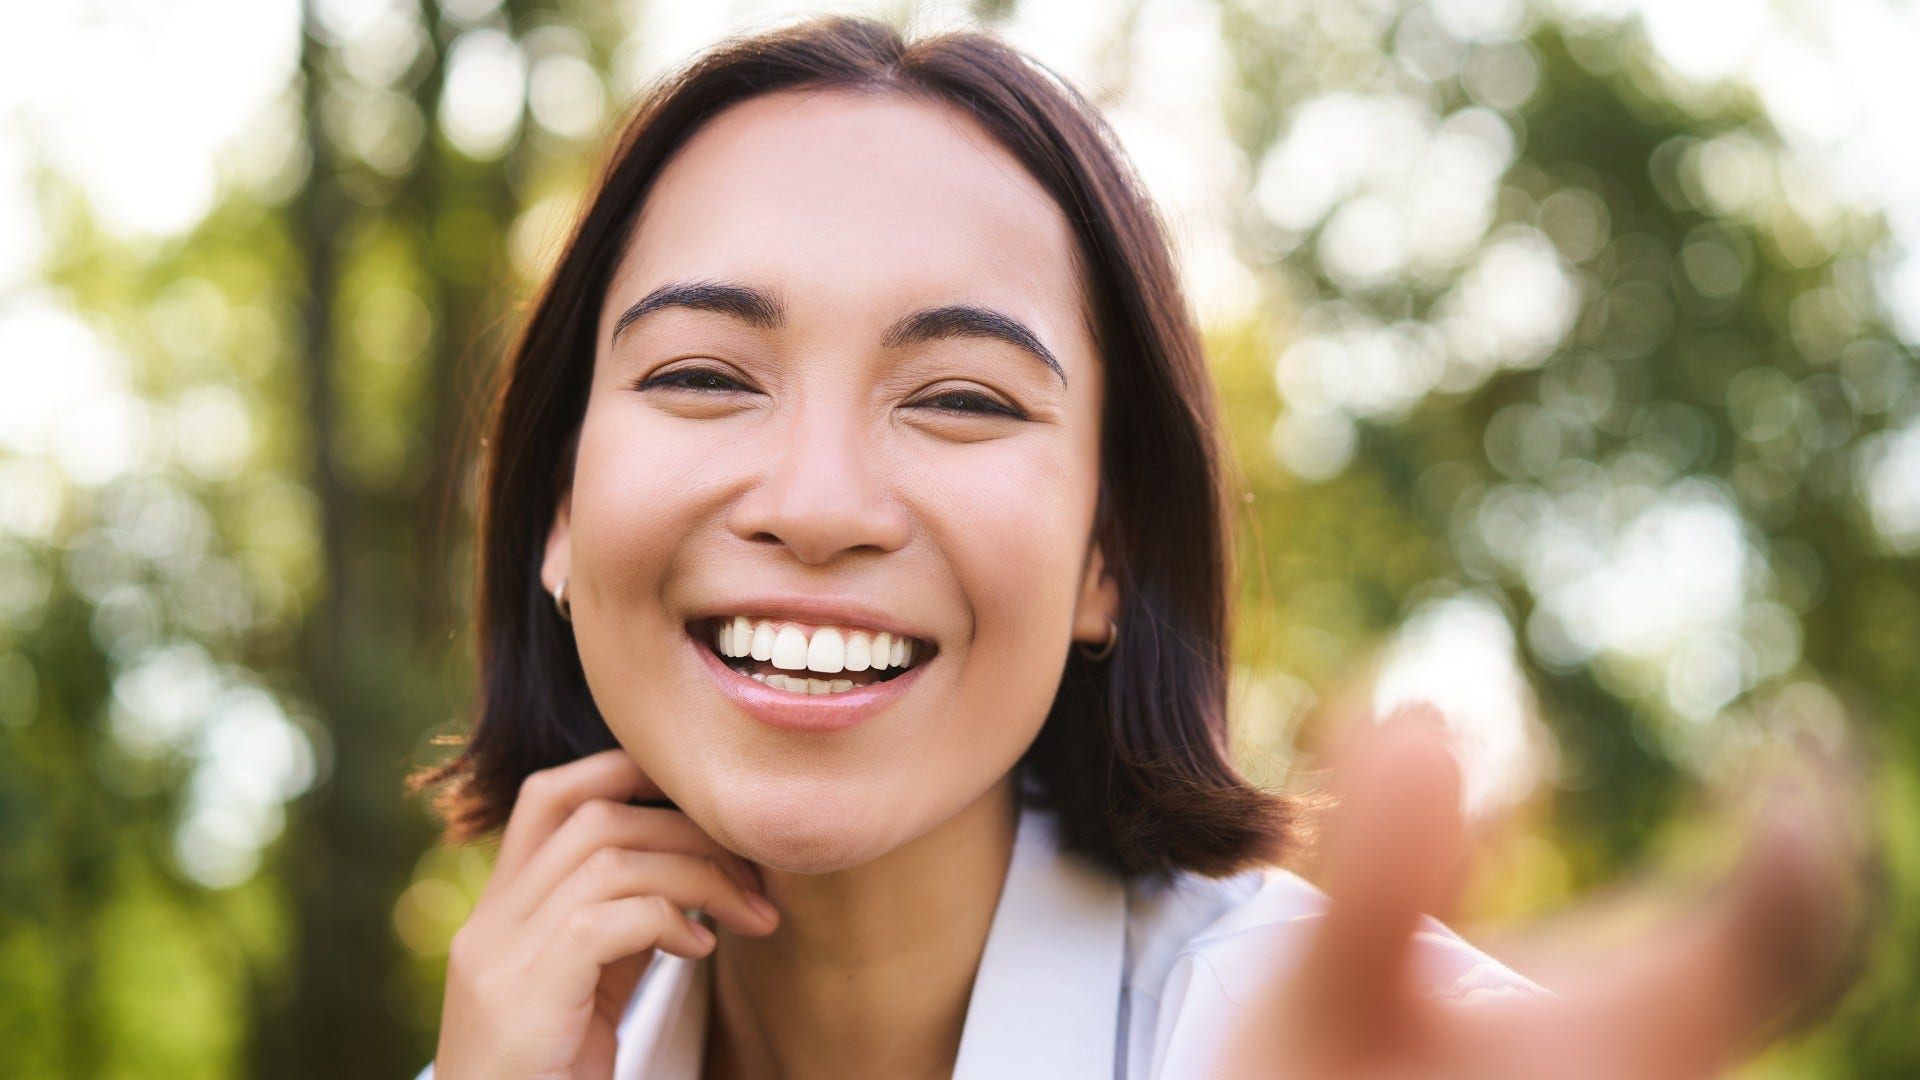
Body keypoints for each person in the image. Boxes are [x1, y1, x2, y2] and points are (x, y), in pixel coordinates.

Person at [411, 16, 1861, 1080]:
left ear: (1109, 555)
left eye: (963, 399)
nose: (818, 499)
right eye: (704, 376)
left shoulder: (1303, 1035)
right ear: (553, 505)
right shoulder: (512, 1055)